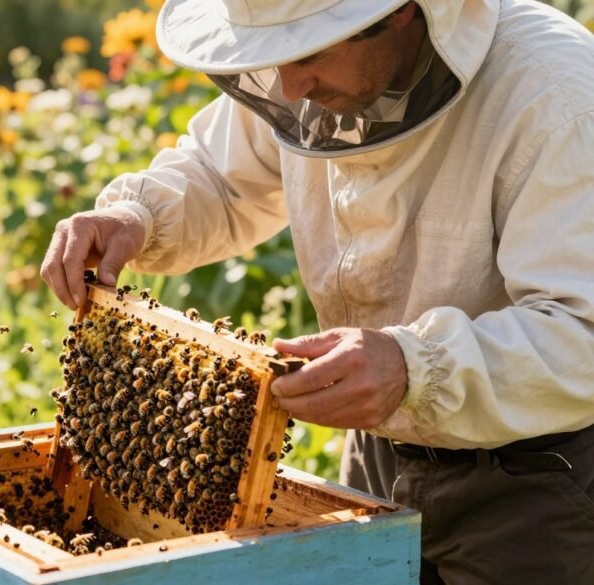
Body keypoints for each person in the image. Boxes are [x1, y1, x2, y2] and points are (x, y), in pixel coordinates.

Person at [41, 0, 594, 582]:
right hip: (378, 448)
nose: (289, 83)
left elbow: (581, 329)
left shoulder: (558, 96)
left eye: (309, 50)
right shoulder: (315, 73)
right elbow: (220, 174)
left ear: (404, 10)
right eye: (274, 54)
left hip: (533, 481)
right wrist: (138, 215)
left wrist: (416, 366)